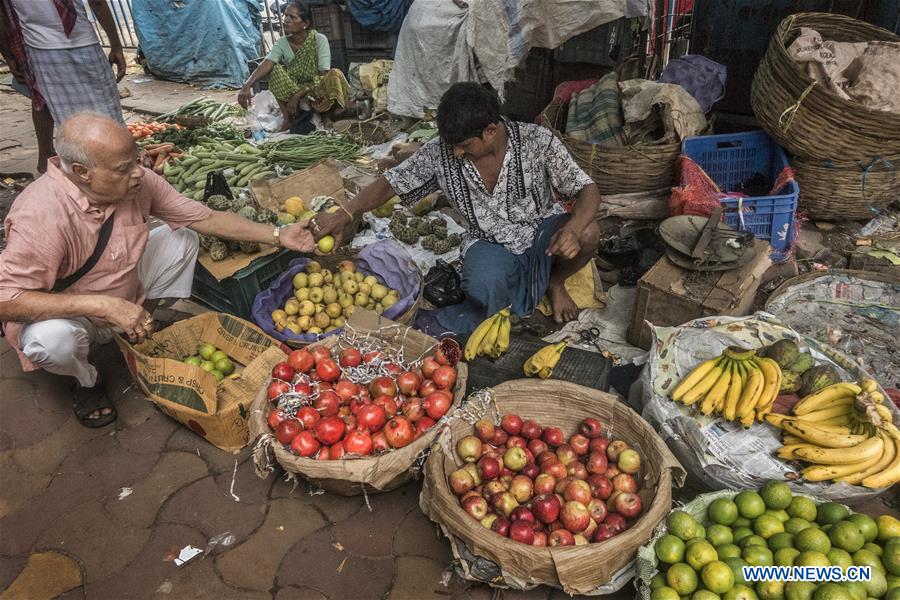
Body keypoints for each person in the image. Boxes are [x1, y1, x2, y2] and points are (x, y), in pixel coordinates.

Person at [0, 113, 316, 428]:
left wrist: (277, 235)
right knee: (53, 342)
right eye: (124, 169)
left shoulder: (137, 183)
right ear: (82, 172)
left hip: (119, 287)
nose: (139, 173)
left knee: (182, 238)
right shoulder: (41, 213)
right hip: (69, 310)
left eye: (136, 161)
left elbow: (204, 218)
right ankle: (86, 381)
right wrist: (102, 305)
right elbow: (6, 300)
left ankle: (135, 330)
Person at [311, 82, 602, 331]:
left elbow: (587, 189)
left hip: (542, 233)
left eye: (463, 145)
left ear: (490, 131)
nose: (456, 152)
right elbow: (391, 183)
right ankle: (512, 297)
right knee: (480, 288)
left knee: (589, 233)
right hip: (489, 240)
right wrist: (346, 213)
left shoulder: (537, 141)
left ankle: (555, 282)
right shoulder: (442, 152)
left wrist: (573, 229)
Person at [0, 0, 128, 133]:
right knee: (108, 114)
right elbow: (97, 3)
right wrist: (116, 46)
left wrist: (10, 56)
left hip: (41, 52)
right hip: (82, 46)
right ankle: (112, 147)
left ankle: (73, 150)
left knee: (66, 118)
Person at [238, 0, 348, 132]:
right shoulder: (282, 43)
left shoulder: (319, 39)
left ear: (305, 24)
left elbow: (323, 75)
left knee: (335, 74)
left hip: (316, 89)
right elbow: (267, 62)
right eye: (285, 16)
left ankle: (327, 116)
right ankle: (287, 119)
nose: (286, 20)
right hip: (294, 88)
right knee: (274, 70)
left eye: (292, 17)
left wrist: (298, 95)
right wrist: (247, 85)